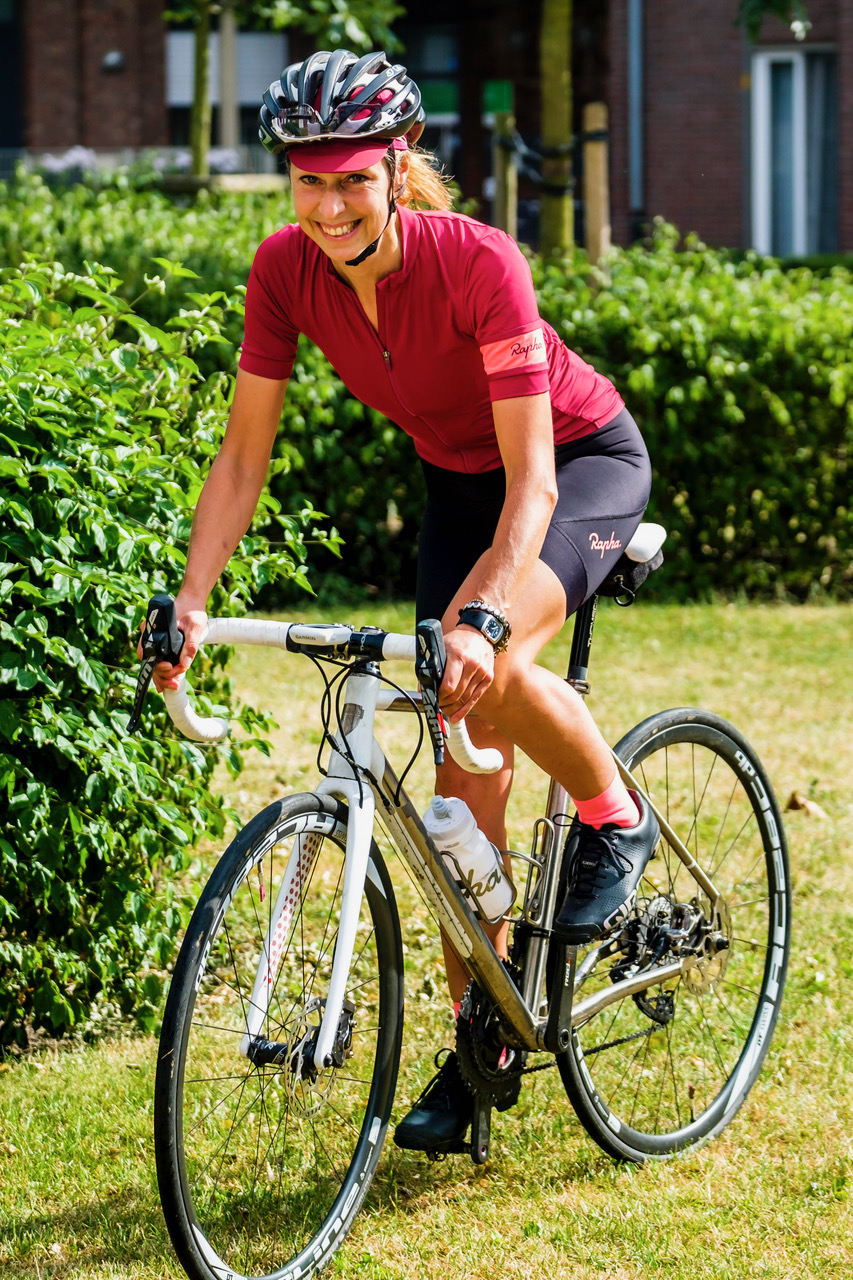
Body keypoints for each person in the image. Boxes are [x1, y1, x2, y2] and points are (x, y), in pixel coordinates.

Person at [147, 49, 659, 1155]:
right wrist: (189, 598)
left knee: (492, 664)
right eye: (308, 181)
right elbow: (242, 458)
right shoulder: (284, 269)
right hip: (458, 488)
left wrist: (485, 616)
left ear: (397, 164)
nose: (328, 207)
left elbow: (535, 484)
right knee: (458, 790)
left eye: (352, 181)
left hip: (575, 466)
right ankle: (486, 1039)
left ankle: (615, 815)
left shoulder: (477, 261)